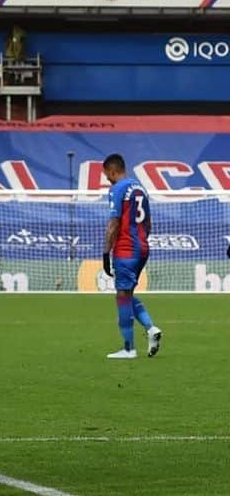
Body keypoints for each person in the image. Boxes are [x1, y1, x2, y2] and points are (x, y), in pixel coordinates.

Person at [103, 154, 161, 360]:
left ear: (112, 171)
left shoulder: (117, 189)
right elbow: (149, 224)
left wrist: (105, 252)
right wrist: (141, 242)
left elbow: (114, 224)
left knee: (121, 296)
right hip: (143, 248)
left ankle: (128, 349)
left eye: (107, 176)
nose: (107, 180)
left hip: (126, 249)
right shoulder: (140, 188)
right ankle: (151, 329)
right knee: (127, 295)